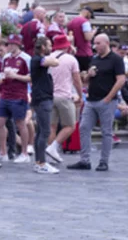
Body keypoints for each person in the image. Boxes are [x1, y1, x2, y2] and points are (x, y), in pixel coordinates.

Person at [67, 34, 126, 171]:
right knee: (84, 127)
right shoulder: (95, 59)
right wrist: (88, 75)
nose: (95, 46)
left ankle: (104, 161)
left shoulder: (116, 59)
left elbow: (121, 80)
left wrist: (108, 97)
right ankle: (85, 160)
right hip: (91, 100)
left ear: (106, 43)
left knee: (106, 131)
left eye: (98, 43)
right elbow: (86, 81)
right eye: (94, 43)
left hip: (107, 101)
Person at [0, 34, 32, 164]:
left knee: (20, 123)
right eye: (9, 44)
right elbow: (3, 73)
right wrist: (2, 77)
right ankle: (3, 152)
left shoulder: (26, 58)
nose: (10, 46)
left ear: (18, 44)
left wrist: (16, 76)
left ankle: (25, 152)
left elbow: (31, 77)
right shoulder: (6, 58)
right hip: (5, 93)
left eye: (12, 44)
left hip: (19, 94)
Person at [45, 35, 83, 163]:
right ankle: (53, 147)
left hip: (50, 96)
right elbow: (77, 80)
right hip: (64, 96)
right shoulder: (71, 59)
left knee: (52, 127)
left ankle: (51, 155)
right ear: (67, 46)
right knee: (70, 126)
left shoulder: (48, 58)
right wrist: (80, 95)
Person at [29, 37, 60, 174]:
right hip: (42, 99)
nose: (51, 48)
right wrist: (56, 58)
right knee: (45, 131)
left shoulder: (38, 60)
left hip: (42, 97)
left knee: (41, 131)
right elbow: (53, 62)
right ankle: (42, 163)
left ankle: (38, 162)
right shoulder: (37, 59)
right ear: (42, 47)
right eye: (49, 45)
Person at [67, 6, 96, 72]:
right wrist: (93, 32)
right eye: (90, 16)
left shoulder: (70, 22)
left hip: (74, 53)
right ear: (87, 13)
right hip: (85, 54)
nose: (89, 19)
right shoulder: (85, 22)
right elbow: (88, 37)